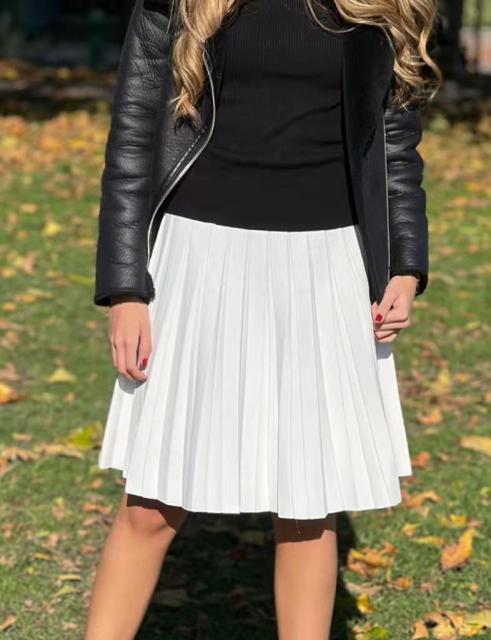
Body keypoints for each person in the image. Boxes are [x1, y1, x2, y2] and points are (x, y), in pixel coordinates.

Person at [84, 0, 440, 638]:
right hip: (198, 260)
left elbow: (394, 144)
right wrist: (125, 288)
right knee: (151, 505)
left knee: (307, 508)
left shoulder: (375, 7)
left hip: (325, 267)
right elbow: (134, 134)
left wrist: (406, 266)